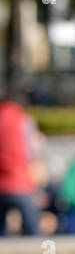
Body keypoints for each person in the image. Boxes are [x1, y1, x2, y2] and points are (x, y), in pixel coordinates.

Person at [0, 95, 43, 236]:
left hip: (2, 183)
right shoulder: (23, 120)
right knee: (32, 229)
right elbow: (32, 150)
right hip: (21, 183)